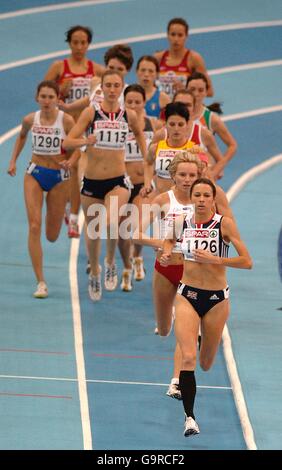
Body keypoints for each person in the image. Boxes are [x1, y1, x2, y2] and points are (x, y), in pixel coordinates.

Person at [160, 177, 252, 436]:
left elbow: (247, 261)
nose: (200, 200)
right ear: (191, 198)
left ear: (213, 199)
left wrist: (216, 258)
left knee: (206, 361)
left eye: (205, 196)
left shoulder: (224, 225)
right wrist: (168, 253)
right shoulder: (182, 222)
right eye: (196, 195)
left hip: (216, 300)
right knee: (187, 358)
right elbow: (169, 241)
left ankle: (202, 340)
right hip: (187, 294)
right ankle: (190, 418)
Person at [62, 70, 147, 302]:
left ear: (121, 89)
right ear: (103, 87)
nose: (111, 89)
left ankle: (110, 262)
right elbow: (68, 141)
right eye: (107, 85)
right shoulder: (92, 112)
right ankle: (95, 271)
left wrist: (148, 159)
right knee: (93, 230)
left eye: (115, 85)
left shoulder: (128, 115)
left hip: (118, 181)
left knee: (110, 221)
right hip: (91, 181)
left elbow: (140, 135)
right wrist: (84, 141)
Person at [7, 81, 75, 298]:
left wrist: (71, 160)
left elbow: (78, 148)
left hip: (59, 178)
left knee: (52, 236)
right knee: (34, 226)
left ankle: (61, 211)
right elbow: (21, 136)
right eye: (43, 97)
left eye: (50, 97)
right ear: (37, 98)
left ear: (58, 99)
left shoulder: (66, 120)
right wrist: (13, 161)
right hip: (35, 173)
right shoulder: (30, 119)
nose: (46, 101)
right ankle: (41, 282)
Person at [44, 25, 105, 238]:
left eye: (83, 43)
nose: (79, 47)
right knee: (65, 171)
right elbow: (44, 95)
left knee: (77, 170)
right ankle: (66, 207)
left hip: (85, 127)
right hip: (64, 127)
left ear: (89, 44)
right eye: (75, 42)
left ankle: (73, 217)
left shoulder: (96, 70)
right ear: (69, 43)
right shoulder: (58, 68)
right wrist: (62, 91)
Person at [133, 151, 202, 337]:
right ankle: (171, 316)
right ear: (173, 176)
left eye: (192, 175)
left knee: (187, 331)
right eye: (182, 175)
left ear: (198, 177)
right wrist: (160, 242)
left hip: (193, 272)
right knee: (164, 331)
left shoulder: (204, 202)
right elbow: (135, 234)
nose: (187, 180)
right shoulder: (163, 200)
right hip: (165, 269)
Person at [118, 84, 162, 291]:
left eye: (138, 102)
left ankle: (136, 257)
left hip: (144, 185)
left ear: (145, 103)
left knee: (137, 225)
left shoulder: (153, 125)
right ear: (124, 103)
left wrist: (151, 180)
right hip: (121, 183)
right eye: (130, 102)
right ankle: (127, 266)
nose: (134, 106)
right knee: (121, 231)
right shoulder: (117, 123)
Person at [186, 72, 237, 174]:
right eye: (192, 90)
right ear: (186, 90)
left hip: (203, 174)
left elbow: (232, 145)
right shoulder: (176, 115)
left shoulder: (211, 118)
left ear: (206, 93)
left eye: (201, 90)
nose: (196, 94)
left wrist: (218, 169)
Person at [154, 18, 213, 99]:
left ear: (186, 36)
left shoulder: (194, 58)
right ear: (167, 35)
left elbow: (209, 91)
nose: (176, 39)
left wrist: (185, 90)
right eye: (173, 34)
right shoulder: (158, 58)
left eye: (180, 35)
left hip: (184, 108)